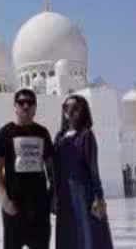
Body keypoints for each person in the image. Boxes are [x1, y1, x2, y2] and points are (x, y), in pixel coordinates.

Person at [0, 88, 54, 249]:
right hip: (14, 205)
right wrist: (5, 199)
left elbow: (51, 168)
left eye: (30, 102)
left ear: (35, 108)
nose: (26, 105)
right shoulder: (5, 133)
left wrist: (53, 196)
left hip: (39, 205)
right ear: (15, 106)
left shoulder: (42, 133)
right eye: (21, 102)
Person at [53, 94, 114, 249]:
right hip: (64, 192)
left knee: (85, 233)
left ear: (83, 111)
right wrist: (53, 194)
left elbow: (93, 167)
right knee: (67, 233)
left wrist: (98, 196)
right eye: (66, 107)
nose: (70, 111)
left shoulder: (86, 135)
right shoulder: (59, 137)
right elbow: (54, 167)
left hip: (82, 191)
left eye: (75, 108)